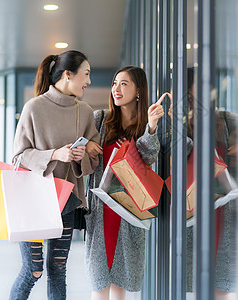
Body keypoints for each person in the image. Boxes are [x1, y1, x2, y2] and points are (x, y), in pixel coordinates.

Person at [10, 50, 100, 300]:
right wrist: (54, 155)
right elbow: (18, 157)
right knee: (33, 270)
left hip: (67, 202)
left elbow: (93, 161)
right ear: (68, 74)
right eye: (86, 74)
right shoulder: (34, 108)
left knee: (58, 270)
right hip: (34, 202)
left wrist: (84, 155)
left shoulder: (85, 112)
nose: (89, 81)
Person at [84, 66, 167, 300]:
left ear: (138, 91)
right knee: (99, 281)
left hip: (128, 211)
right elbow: (86, 163)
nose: (116, 89)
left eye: (124, 84)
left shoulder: (144, 126)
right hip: (101, 210)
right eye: (114, 83)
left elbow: (148, 159)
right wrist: (87, 148)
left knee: (121, 280)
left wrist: (151, 126)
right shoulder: (100, 120)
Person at [173, 67, 238, 299]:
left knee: (222, 280)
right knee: (194, 276)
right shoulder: (175, 120)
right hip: (191, 206)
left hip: (222, 207)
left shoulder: (226, 120)